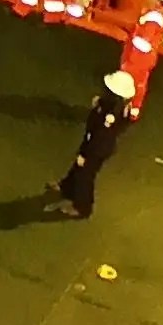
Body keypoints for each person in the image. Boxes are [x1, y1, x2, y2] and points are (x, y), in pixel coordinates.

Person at [48, 68, 137, 219]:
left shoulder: (110, 115)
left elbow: (98, 138)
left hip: (96, 149)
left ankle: (83, 207)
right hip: (98, 145)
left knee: (85, 176)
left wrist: (84, 154)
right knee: (78, 168)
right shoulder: (118, 107)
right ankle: (67, 188)